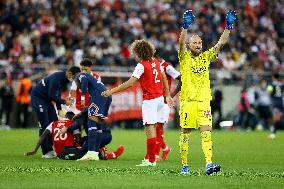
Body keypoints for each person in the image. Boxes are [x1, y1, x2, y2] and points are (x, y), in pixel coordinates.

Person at [178, 10, 236, 175]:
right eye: (195, 43)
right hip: (188, 101)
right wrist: (185, 27)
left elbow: (221, 43)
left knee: (207, 133)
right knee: (185, 134)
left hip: (203, 101)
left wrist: (228, 26)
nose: (198, 45)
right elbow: (181, 43)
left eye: (199, 43)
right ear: (189, 45)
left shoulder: (206, 57)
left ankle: (209, 164)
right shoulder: (184, 58)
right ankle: (184, 166)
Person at [102, 39, 174, 166]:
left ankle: (150, 161)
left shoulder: (141, 65)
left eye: (135, 52)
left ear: (139, 52)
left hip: (150, 101)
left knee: (150, 129)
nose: (134, 55)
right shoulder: (156, 62)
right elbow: (163, 77)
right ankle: (150, 159)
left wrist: (111, 91)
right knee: (151, 129)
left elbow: (130, 83)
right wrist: (167, 95)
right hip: (159, 100)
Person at [30, 66, 81, 158]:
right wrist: (64, 102)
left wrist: (59, 109)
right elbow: (51, 95)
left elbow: (57, 94)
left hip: (46, 100)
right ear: (69, 73)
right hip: (38, 98)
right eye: (74, 77)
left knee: (54, 122)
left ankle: (52, 149)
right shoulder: (56, 78)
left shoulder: (63, 80)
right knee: (45, 125)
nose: (73, 80)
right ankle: (46, 152)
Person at [74, 72, 112, 161]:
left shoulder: (80, 75)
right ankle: (94, 153)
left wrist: (82, 97)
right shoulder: (94, 85)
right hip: (108, 96)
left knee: (91, 121)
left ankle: (91, 152)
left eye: (78, 86)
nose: (79, 88)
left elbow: (84, 80)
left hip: (100, 95)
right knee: (98, 124)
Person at [60, 110, 124, 160]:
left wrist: (66, 129)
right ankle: (108, 154)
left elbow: (76, 124)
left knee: (80, 151)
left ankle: (77, 155)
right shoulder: (91, 111)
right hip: (106, 135)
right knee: (85, 141)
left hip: (100, 135)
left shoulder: (81, 116)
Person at [152, 55, 181, 161]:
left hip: (164, 102)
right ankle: (165, 148)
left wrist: (171, 95)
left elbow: (180, 78)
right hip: (155, 101)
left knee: (158, 127)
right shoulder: (153, 66)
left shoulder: (166, 66)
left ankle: (155, 155)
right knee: (152, 127)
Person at [267, 73, 284, 139]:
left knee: (276, 118)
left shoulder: (271, 84)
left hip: (275, 102)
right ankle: (273, 131)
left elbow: (269, 92)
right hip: (281, 101)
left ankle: (273, 133)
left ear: (273, 77)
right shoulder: (282, 84)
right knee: (278, 118)